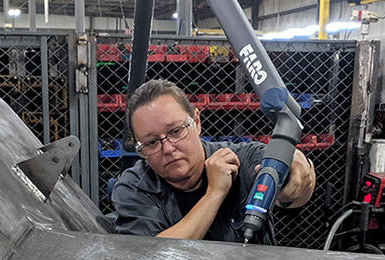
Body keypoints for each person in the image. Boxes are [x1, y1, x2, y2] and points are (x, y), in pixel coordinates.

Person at [111, 79, 316, 242]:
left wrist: (295, 170)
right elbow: (151, 257)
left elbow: (290, 179)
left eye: (175, 131)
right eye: (151, 142)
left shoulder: (241, 159)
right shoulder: (133, 188)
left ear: (197, 121)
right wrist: (215, 193)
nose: (168, 148)